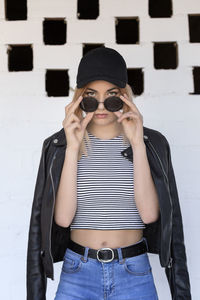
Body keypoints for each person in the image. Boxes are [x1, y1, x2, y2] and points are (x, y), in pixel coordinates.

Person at [26, 47, 191, 300]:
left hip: (134, 272)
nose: (101, 106)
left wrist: (137, 143)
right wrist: (72, 147)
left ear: (124, 97)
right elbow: (62, 219)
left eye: (112, 97)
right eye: (91, 97)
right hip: (77, 273)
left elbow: (149, 214)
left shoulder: (151, 143)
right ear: (79, 99)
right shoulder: (59, 145)